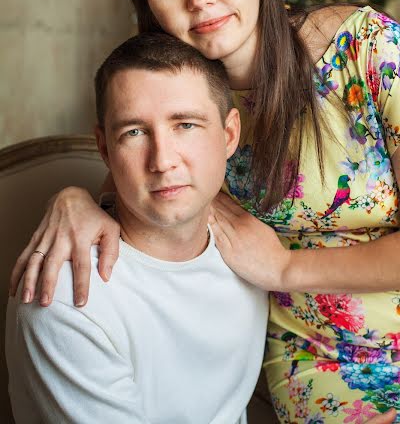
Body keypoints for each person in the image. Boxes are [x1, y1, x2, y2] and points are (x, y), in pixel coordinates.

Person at [9, 0, 400, 423]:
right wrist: (74, 198)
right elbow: (138, 180)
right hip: (325, 362)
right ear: (148, 7)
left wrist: (286, 270)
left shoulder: (364, 50)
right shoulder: (188, 110)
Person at [6, 33, 268, 424]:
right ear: (105, 148)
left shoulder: (256, 248)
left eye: (186, 125)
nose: (162, 161)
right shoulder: (66, 300)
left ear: (229, 134)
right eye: (134, 132)